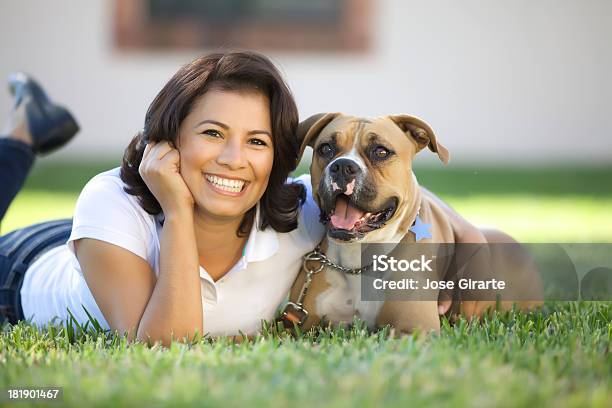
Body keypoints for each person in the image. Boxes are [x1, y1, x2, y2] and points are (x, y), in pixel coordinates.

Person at [0, 52, 326, 346]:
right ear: (168, 140)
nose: (233, 159)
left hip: (113, 241)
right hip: (20, 267)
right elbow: (165, 345)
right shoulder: (108, 198)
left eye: (256, 141)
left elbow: (378, 256)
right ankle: (24, 131)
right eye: (213, 133)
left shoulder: (307, 213)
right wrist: (178, 212)